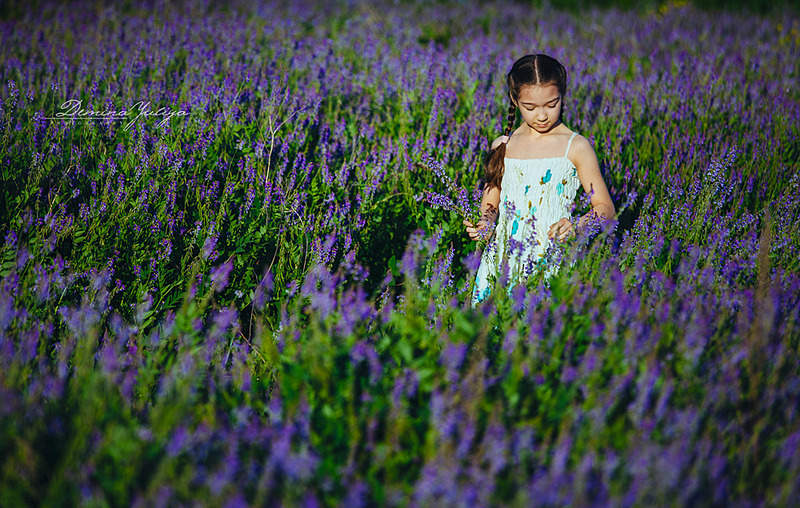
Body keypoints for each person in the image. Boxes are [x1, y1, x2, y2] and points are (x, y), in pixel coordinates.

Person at [464, 53, 616, 307]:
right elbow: (491, 203)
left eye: (552, 104)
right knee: (488, 339)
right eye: (531, 108)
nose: (542, 115)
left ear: (563, 96)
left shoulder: (575, 146)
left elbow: (605, 209)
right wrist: (485, 224)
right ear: (515, 100)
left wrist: (577, 225)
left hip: (550, 260)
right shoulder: (504, 145)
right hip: (500, 262)